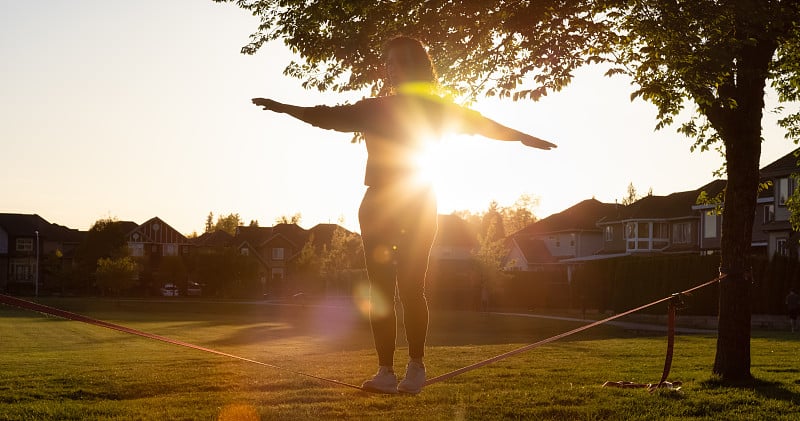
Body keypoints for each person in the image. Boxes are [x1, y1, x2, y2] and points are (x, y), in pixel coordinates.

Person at [252, 36, 556, 394]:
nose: (388, 68)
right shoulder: (374, 107)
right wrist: (286, 107)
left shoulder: (438, 109)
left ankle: (415, 366)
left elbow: (481, 124)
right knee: (380, 290)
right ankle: (384, 371)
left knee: (412, 288)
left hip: (419, 202)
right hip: (378, 206)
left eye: (395, 62)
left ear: (414, 66)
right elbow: (328, 116)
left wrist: (522, 137)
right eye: (387, 62)